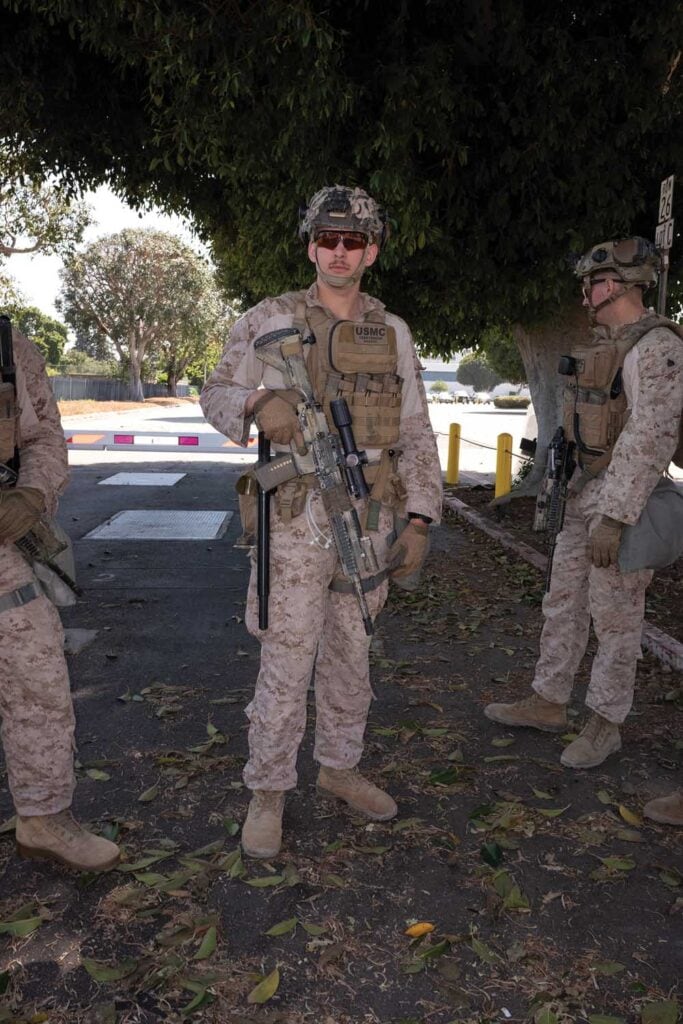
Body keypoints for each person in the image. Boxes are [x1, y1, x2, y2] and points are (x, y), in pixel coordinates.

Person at [201, 185, 442, 857]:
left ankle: (339, 767)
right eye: (328, 240)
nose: (339, 252)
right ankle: (267, 793)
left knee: (351, 654)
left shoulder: (391, 333)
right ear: (310, 245)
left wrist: (419, 518)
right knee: (285, 661)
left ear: (372, 250)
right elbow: (213, 392)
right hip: (296, 521)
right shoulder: (268, 319)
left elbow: (416, 432)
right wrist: (254, 402)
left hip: (366, 521)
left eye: (353, 242)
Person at [485, 237, 683, 769]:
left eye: (592, 284)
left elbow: (651, 437)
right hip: (580, 493)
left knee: (616, 618)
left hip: (622, 501)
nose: (585, 295)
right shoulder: (607, 343)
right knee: (563, 600)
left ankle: (605, 723)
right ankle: (549, 700)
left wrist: (615, 518)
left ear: (617, 284)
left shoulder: (657, 346)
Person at [0, 320, 120, 871]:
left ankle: (44, 819)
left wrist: (31, 493)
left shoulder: (9, 347)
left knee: (38, 679)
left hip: (5, 551)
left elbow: (44, 436)